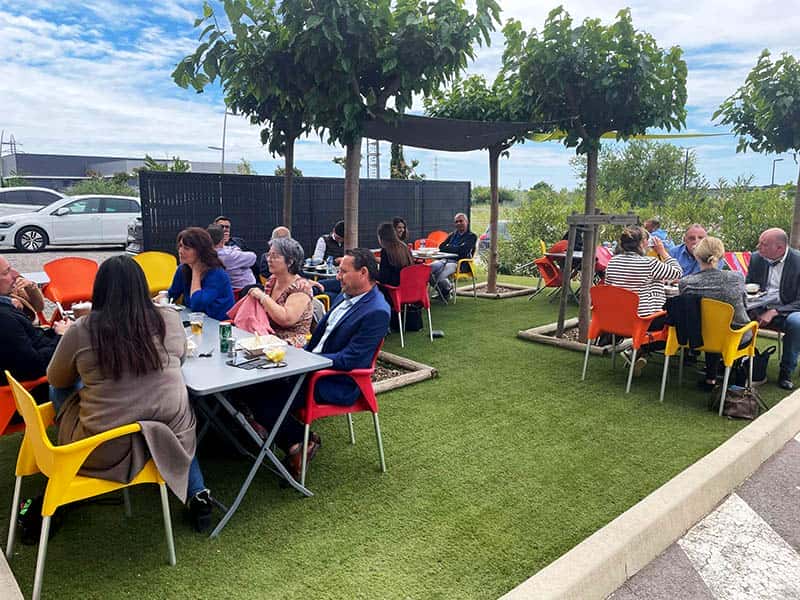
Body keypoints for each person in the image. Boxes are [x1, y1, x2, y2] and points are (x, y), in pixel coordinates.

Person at [47, 255, 213, 532]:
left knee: (61, 387)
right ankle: (198, 493)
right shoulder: (168, 318)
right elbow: (180, 360)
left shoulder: (81, 330)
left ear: (99, 290)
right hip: (172, 435)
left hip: (103, 445)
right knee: (170, 410)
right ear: (141, 286)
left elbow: (56, 378)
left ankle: (67, 463)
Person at [249, 249, 390, 480]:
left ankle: (297, 442)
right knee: (254, 384)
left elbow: (352, 359)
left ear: (363, 273)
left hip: (336, 380)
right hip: (312, 368)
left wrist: (309, 362)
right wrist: (299, 355)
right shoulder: (345, 298)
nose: (338, 276)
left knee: (265, 397)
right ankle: (296, 440)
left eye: (344, 272)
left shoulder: (377, 311)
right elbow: (319, 341)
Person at [605, 226, 683, 374]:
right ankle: (638, 349)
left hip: (618, 319)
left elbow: (610, 288)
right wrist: (662, 251)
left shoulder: (613, 262)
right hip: (644, 321)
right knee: (677, 321)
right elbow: (677, 272)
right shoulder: (649, 263)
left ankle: (638, 351)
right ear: (642, 243)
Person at [679, 237, 752, 390]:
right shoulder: (736, 277)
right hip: (733, 337)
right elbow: (745, 305)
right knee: (726, 325)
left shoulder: (686, 283)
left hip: (699, 335)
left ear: (696, 256)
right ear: (722, 256)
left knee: (712, 324)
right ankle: (735, 373)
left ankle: (710, 379)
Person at [0, 256, 71, 399]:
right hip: (27, 395)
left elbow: (37, 310)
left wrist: (55, 332)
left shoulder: (7, 303)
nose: (15, 274)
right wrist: (61, 337)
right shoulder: (4, 319)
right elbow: (34, 366)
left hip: (27, 381)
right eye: (6, 272)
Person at [746, 227, 800, 390]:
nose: (758, 247)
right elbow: (748, 287)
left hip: (789, 310)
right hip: (759, 306)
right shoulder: (756, 259)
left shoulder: (798, 262)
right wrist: (756, 310)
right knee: (734, 312)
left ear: (780, 248)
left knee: (796, 323)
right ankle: (735, 362)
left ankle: (786, 371)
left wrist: (775, 311)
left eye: (763, 244)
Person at [247, 237, 314, 348]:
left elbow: (286, 319)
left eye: (275, 256)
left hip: (292, 346)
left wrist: (262, 297)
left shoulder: (300, 288)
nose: (269, 259)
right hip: (268, 339)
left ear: (290, 261)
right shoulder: (272, 280)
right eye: (268, 255)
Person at [168, 227, 235, 321]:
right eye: (180, 246)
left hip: (219, 325)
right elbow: (172, 294)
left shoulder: (217, 274)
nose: (180, 251)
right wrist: (158, 300)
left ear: (200, 252)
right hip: (196, 322)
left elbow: (197, 305)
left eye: (186, 248)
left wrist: (196, 271)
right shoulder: (183, 269)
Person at [429, 213, 478, 301]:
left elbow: (463, 252)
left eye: (461, 221)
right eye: (456, 222)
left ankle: (447, 289)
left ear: (467, 222)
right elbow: (441, 247)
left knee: (439, 275)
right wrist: (457, 248)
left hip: (458, 263)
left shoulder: (471, 236)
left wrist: (449, 248)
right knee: (427, 270)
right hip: (444, 260)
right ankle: (445, 291)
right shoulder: (452, 235)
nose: (458, 223)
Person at [376, 222, 414, 330]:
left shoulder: (386, 251)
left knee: (371, 287)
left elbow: (384, 278)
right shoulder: (404, 247)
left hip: (394, 290)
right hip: (409, 289)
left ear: (381, 237)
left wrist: (373, 274)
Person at [208, 223, 257, 292]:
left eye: (227, 227)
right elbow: (252, 257)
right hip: (241, 291)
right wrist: (236, 250)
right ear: (222, 239)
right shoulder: (227, 255)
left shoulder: (206, 253)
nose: (225, 229)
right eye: (223, 227)